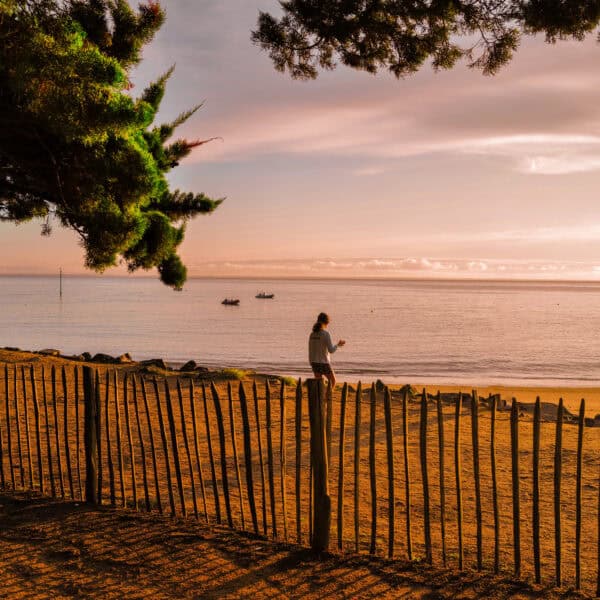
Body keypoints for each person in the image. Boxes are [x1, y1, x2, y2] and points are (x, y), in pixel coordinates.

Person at [308, 312, 345, 388]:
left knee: (319, 384)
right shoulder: (325, 334)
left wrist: (311, 362)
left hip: (314, 362)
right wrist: (338, 345)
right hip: (323, 362)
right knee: (332, 381)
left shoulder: (312, 334)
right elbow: (331, 350)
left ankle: (321, 397)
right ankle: (328, 396)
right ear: (326, 322)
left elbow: (310, 350)